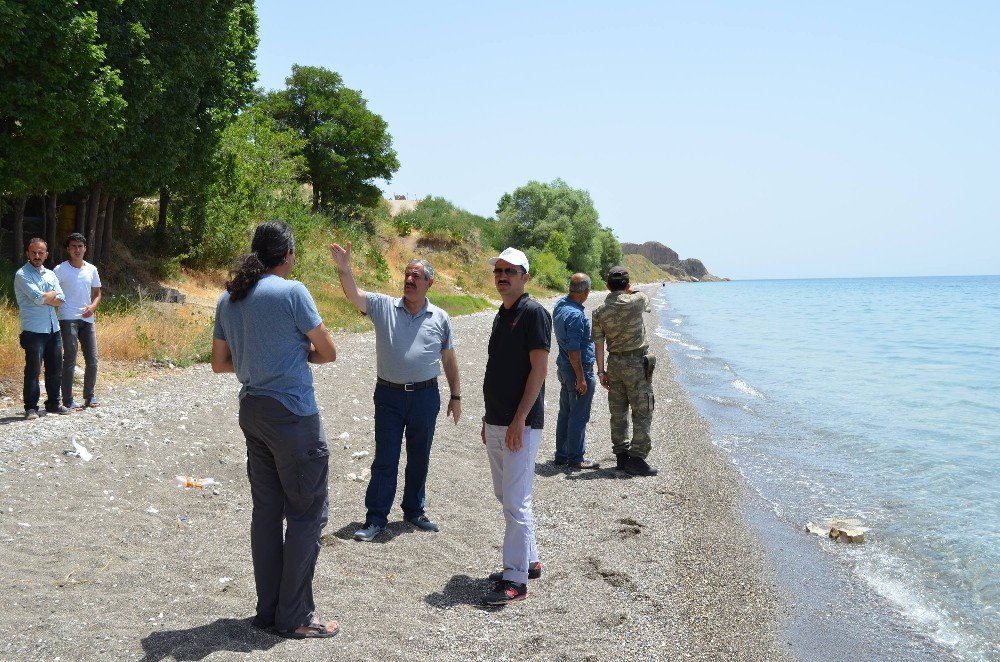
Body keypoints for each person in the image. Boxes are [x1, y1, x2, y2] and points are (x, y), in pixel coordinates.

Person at [211, 221, 340, 639]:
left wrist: (259, 363)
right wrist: (295, 357)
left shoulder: (229, 299)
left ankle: (268, 611)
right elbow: (329, 351)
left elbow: (219, 363)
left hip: (253, 410)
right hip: (292, 415)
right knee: (306, 514)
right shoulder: (292, 292)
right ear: (286, 255)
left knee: (266, 513)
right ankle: (296, 616)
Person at [329, 242, 461, 543]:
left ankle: (414, 511)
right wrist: (344, 268)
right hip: (388, 396)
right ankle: (376, 518)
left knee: (419, 456)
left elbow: (449, 358)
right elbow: (354, 294)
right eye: (407, 274)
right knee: (385, 458)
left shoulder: (440, 318)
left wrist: (456, 396)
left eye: (416, 276)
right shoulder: (384, 306)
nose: (409, 280)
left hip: (426, 397)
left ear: (429, 283)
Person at [481, 247, 551, 605]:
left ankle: (516, 579)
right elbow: (497, 367)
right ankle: (530, 562)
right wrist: (487, 418)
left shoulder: (534, 313)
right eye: (499, 271)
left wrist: (519, 419)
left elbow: (539, 369)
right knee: (507, 496)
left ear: (525, 277)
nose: (502, 276)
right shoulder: (501, 313)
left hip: (519, 423)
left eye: (510, 271)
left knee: (516, 501)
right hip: (496, 420)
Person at [592, 266, 659, 477]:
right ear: (627, 285)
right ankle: (637, 459)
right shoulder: (636, 301)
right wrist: (631, 291)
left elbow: (598, 344)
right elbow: (644, 297)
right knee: (642, 411)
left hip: (614, 365)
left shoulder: (599, 312)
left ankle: (621, 456)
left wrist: (601, 372)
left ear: (607, 286)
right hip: (637, 364)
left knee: (617, 412)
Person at [14, 238, 68, 419]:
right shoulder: (22, 274)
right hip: (33, 331)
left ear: (46, 254)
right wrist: (50, 295)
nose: (37, 256)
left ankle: (53, 404)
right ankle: (30, 408)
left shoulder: (51, 274)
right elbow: (37, 298)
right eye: (33, 252)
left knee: (55, 368)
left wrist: (49, 296)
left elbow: (61, 298)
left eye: (41, 252)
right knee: (33, 370)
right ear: (27, 253)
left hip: (53, 329)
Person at [552, 273, 599, 469]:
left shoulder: (560, 305)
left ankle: (562, 454)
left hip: (563, 367)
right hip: (576, 369)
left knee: (566, 412)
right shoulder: (576, 315)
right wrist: (581, 378)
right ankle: (576, 458)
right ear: (586, 291)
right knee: (579, 415)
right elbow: (574, 351)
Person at [53, 232, 102, 409]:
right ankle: (67, 400)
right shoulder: (60, 269)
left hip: (87, 320)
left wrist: (93, 307)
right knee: (70, 359)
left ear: (85, 248)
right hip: (67, 318)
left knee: (93, 360)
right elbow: (53, 292)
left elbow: (97, 293)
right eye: (73, 246)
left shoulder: (92, 269)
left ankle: (89, 397)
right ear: (68, 249)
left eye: (80, 246)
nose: (77, 249)